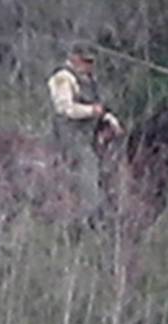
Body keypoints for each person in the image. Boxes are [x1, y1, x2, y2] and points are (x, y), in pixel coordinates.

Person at [47, 42, 119, 216]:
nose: (89, 65)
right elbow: (65, 108)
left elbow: (100, 106)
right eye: (86, 61)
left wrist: (111, 120)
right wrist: (91, 111)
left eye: (91, 62)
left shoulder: (90, 80)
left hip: (90, 131)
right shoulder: (62, 78)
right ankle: (90, 210)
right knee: (88, 161)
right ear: (74, 58)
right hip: (70, 132)